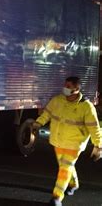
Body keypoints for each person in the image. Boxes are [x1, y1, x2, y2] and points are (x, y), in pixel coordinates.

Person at [32, 76, 102, 206]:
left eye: (68, 86)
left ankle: (57, 197)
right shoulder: (57, 100)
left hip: (74, 144)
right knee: (65, 166)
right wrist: (38, 123)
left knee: (65, 168)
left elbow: (94, 128)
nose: (65, 88)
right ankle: (74, 184)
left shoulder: (86, 107)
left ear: (77, 88)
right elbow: (47, 114)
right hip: (58, 141)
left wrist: (99, 146)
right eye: (65, 85)